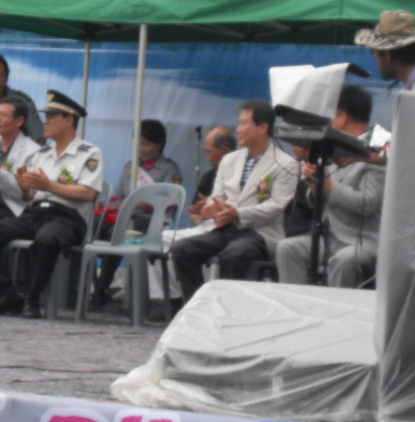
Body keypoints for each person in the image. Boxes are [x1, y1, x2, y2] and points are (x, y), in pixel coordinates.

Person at [0, 90, 104, 319]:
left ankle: (31, 297)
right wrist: (24, 187)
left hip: (66, 218)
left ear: (69, 120)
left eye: (51, 117)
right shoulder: (43, 152)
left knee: (46, 239)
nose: (45, 122)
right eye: (46, 116)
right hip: (34, 213)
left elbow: (88, 193)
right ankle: (6, 292)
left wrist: (49, 185)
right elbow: (29, 195)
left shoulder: (89, 153)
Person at [169, 100, 297, 304]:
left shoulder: (285, 163)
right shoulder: (230, 160)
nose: (238, 129)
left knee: (234, 254)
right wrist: (211, 208)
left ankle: (229, 308)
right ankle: (198, 306)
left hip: (260, 233)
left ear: (263, 127)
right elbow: (218, 196)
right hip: (226, 229)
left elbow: (275, 206)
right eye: (238, 123)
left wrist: (237, 213)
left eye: (244, 123)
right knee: (181, 249)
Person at [275, 85, 386, 288]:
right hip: (330, 237)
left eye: (330, 116)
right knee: (287, 248)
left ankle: (336, 308)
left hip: (362, 241)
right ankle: (295, 305)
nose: (328, 122)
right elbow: (322, 192)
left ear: (342, 117)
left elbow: (368, 204)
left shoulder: (377, 150)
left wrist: (329, 186)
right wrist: (314, 188)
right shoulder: (335, 145)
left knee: (344, 260)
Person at [139, 125, 237, 318]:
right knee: (158, 239)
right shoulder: (209, 176)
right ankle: (170, 298)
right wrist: (202, 213)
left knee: (184, 246)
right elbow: (196, 213)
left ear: (225, 150)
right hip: (206, 226)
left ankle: (196, 300)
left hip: (227, 228)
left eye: (210, 152)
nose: (207, 158)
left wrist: (217, 213)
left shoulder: (241, 174)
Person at [90, 119, 183, 307]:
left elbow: (168, 203)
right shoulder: (130, 166)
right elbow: (117, 196)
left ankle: (102, 287)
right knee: (90, 226)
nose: (141, 149)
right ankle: (86, 284)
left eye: (146, 144)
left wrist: (136, 204)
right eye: (138, 143)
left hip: (149, 222)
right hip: (122, 217)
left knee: (118, 232)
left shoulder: (170, 170)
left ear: (159, 144)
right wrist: (102, 204)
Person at [0, 96, 40, 223]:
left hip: (12, 208)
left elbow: (26, 191)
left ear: (19, 121)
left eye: (3, 115)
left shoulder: (33, 151)